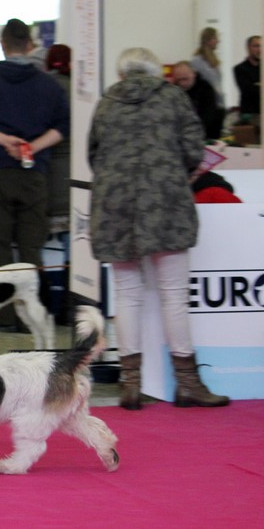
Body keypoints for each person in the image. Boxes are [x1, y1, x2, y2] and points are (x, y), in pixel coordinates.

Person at [88, 47, 229, 411]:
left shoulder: (107, 102)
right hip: (165, 203)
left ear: (122, 73)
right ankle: (188, 383)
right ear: (156, 72)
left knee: (126, 295)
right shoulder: (173, 98)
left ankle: (131, 384)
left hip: (116, 206)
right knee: (173, 295)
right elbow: (194, 151)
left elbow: (94, 156)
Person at [0, 18, 69, 329]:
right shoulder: (48, 84)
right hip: (34, 175)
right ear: (30, 46)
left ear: (2, 45)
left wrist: (4, 140)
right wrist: (31, 146)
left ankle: (5, 315)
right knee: (31, 248)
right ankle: (31, 317)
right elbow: (63, 126)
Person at [45, 43, 74, 325]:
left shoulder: (42, 87)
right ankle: (69, 306)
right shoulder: (79, 90)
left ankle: (47, 306)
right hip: (72, 175)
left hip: (45, 172)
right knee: (71, 249)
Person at [171, 61, 223, 139]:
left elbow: (207, 117)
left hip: (205, 133)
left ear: (193, 74)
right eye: (178, 80)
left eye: (185, 79)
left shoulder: (206, 89)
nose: (182, 83)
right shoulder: (173, 90)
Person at [191, 27, 225, 125]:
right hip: (206, 105)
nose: (218, 41)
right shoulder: (197, 60)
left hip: (218, 104)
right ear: (208, 40)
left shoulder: (214, 61)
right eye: (215, 38)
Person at [233, 35, 261, 123]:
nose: (259, 49)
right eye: (256, 46)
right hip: (249, 114)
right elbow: (248, 90)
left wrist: (257, 85)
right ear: (248, 48)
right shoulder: (240, 69)